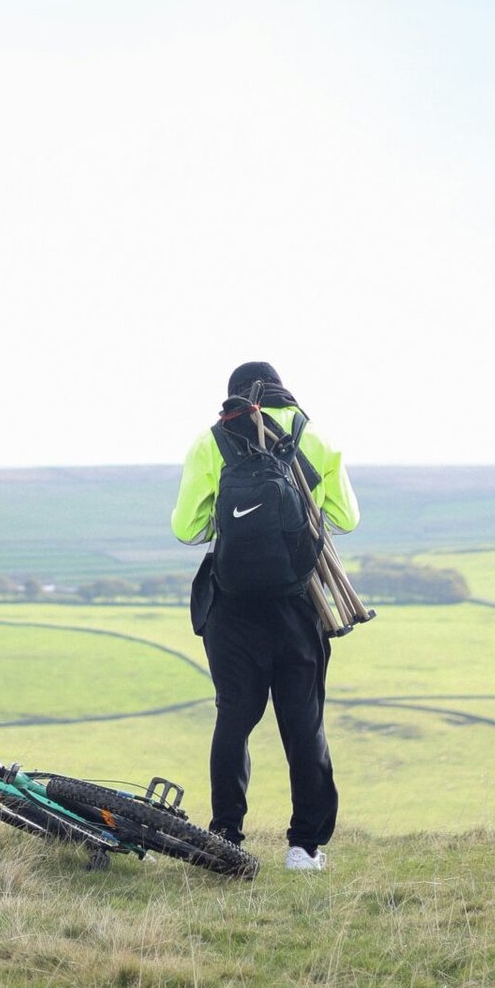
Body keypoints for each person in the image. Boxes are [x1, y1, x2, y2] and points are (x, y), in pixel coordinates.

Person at [172, 360, 359, 872]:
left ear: (233, 399)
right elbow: (346, 518)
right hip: (300, 604)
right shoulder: (311, 436)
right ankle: (304, 848)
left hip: (231, 607)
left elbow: (186, 530)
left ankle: (227, 834)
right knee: (304, 722)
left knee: (234, 717)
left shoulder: (210, 441)